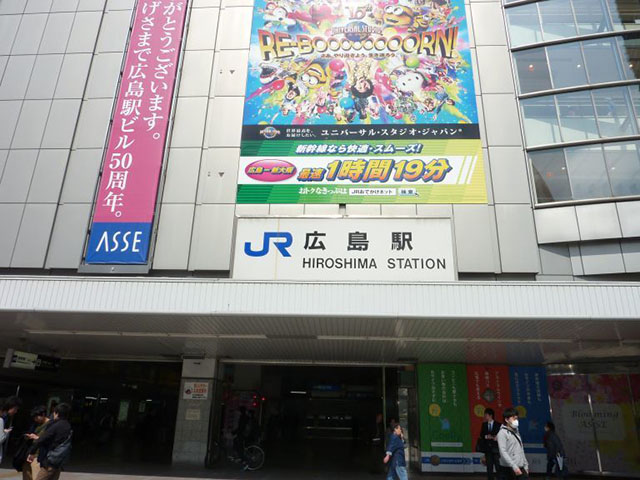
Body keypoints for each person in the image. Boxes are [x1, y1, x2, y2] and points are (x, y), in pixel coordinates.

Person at [27, 403, 72, 480]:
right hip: (59, 460)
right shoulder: (68, 426)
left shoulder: (56, 425)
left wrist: (31, 452)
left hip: (50, 460)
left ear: (57, 413)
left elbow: (41, 440)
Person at [497, 407, 528, 480]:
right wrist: (514, 466)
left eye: (517, 419)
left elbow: (521, 449)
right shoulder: (502, 433)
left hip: (520, 467)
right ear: (506, 420)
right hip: (507, 469)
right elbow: (503, 452)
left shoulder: (517, 432)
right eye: (514, 418)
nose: (516, 421)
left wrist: (525, 465)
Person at [21, 406, 51, 480]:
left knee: (36, 476)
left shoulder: (50, 425)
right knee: (27, 475)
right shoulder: (36, 424)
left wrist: (37, 438)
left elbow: (49, 440)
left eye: (37, 417)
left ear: (43, 415)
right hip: (30, 452)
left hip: (39, 454)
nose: (35, 419)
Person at [479, 408, 501, 480]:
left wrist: (495, 437)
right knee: (489, 467)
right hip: (488, 450)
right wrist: (486, 436)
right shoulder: (484, 425)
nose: (485, 416)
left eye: (486, 415)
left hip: (496, 449)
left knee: (498, 467)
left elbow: (501, 435)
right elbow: (481, 435)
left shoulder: (498, 424)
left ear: (491, 415)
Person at [0, 396, 22, 464]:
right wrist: (5, 433)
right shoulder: (1, 420)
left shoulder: (4, 418)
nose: (15, 412)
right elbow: (0, 439)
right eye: (15, 409)